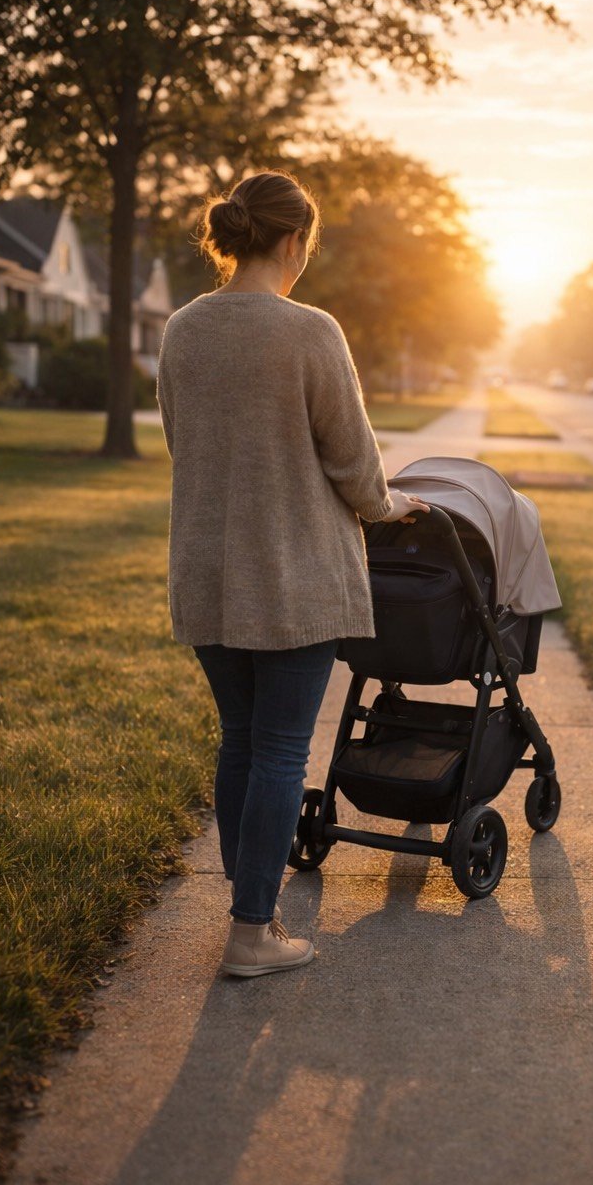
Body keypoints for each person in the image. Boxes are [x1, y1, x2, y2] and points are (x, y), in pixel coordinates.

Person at [155, 168, 429, 978]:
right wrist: (392, 505)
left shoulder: (181, 329)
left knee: (241, 741)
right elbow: (354, 465)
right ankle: (250, 934)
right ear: (291, 241)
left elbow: (182, 441)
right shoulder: (311, 332)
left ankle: (253, 911)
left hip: (206, 573)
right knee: (279, 750)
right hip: (293, 579)